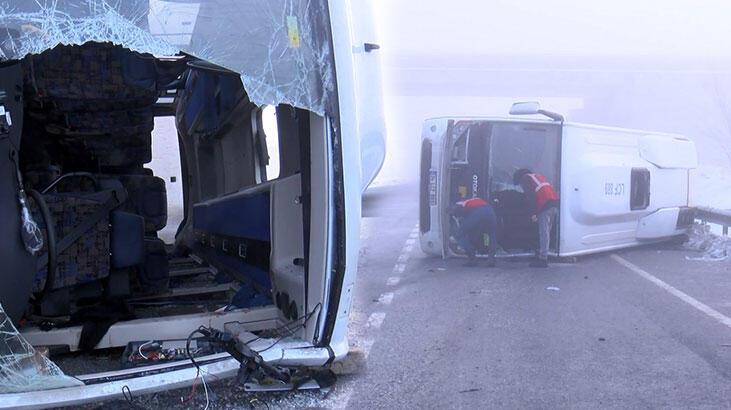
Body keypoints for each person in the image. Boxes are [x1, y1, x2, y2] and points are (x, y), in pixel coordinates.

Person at [513, 169, 559, 268]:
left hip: (545, 205)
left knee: (543, 233)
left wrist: (533, 213)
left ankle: (543, 259)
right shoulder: (537, 176)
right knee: (546, 232)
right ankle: (543, 253)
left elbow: (531, 197)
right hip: (553, 204)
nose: (521, 187)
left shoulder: (525, 179)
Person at [449, 197, 498, 267]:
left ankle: (472, 258)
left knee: (459, 234)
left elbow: (456, 210)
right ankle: (491, 259)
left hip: (479, 213)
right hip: (491, 212)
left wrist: (453, 214)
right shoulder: (475, 200)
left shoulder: (460, 203)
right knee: (491, 235)